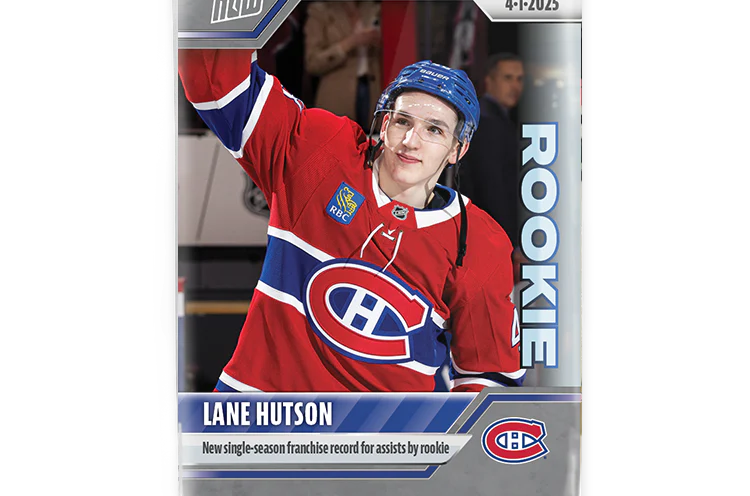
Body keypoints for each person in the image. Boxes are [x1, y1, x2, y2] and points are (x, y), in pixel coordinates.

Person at [177, 47, 525, 392]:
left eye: (434, 130)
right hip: (259, 413)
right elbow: (217, 84)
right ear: (385, 125)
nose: (410, 141)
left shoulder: (478, 242)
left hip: (382, 428)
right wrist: (233, 17)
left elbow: (489, 380)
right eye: (403, 121)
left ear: (457, 149)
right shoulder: (321, 154)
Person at [457, 53, 525, 253]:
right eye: (508, 78)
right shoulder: (487, 121)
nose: (515, 86)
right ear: (489, 81)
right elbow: (492, 186)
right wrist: (510, 242)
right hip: (491, 235)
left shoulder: (497, 118)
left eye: (519, 79)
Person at [303, 1, 381, 129]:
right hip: (337, 93)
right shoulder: (320, 11)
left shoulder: (375, 8)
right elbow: (313, 63)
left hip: (374, 90)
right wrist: (350, 43)